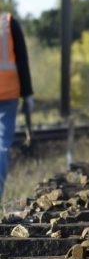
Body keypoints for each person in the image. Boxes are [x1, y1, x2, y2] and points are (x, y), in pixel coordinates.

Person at [0, 12, 33, 204]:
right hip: (8, 94)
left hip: (9, 96)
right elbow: (22, 59)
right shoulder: (8, 23)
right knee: (2, 145)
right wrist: (27, 93)